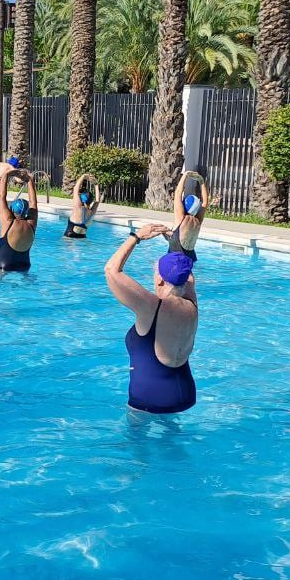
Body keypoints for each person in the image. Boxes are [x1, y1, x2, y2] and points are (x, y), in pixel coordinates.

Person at [105, 224, 198, 414]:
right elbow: (184, 270)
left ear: (160, 280)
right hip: (184, 394)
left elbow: (111, 270)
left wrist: (136, 236)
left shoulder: (150, 307)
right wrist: (175, 244)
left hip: (149, 399)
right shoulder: (192, 302)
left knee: (136, 443)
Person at [0, 169, 38, 272]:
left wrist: (6, 174)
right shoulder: (32, 223)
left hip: (5, 264)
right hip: (25, 264)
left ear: (12, 209)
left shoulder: (8, 222)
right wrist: (29, 180)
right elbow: (33, 202)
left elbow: (1, 197)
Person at [167, 171, 209, 261]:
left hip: (176, 259)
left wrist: (185, 175)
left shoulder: (181, 218)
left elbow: (178, 193)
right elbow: (205, 202)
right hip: (191, 258)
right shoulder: (198, 220)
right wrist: (201, 181)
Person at [64, 173, 100, 239]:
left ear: (81, 199)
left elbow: (75, 189)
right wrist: (96, 184)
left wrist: (83, 176)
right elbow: (97, 200)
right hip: (82, 238)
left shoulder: (78, 207)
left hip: (70, 237)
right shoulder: (91, 213)